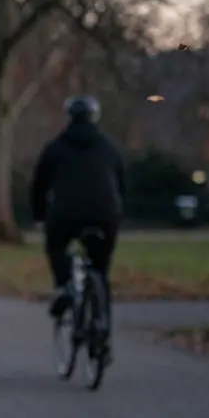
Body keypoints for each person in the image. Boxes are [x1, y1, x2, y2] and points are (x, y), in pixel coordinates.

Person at [29, 95, 125, 337]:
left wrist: (39, 216)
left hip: (66, 214)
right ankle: (102, 323)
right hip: (106, 214)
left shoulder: (56, 148)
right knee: (101, 269)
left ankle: (63, 287)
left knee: (56, 246)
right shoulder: (108, 148)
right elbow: (121, 184)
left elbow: (39, 186)